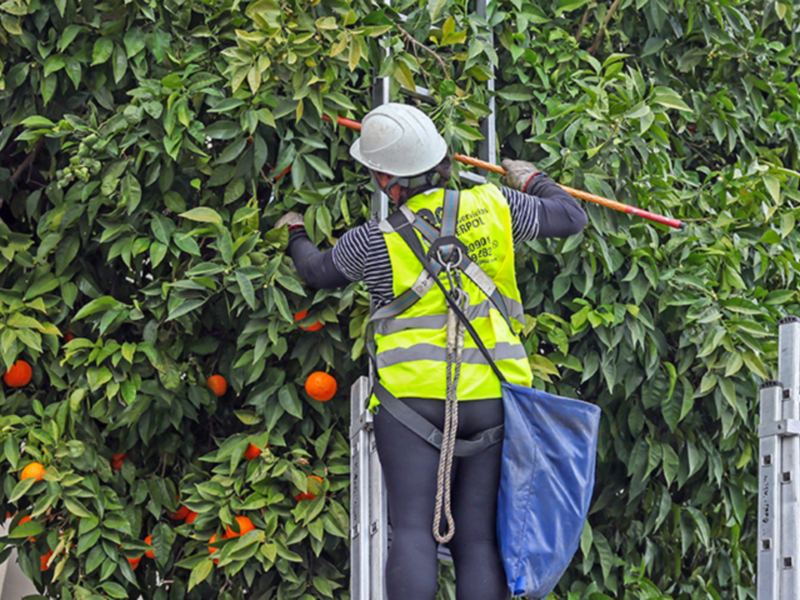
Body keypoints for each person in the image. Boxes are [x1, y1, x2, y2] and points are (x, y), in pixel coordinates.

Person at [276, 103, 586, 600]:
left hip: (411, 404)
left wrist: (294, 233)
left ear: (385, 179)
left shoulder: (374, 240)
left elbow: (316, 272)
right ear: (442, 158)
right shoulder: (494, 205)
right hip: (492, 398)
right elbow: (571, 217)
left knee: (416, 532)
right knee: (479, 539)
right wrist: (532, 180)